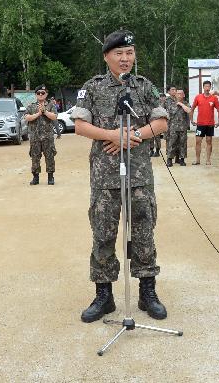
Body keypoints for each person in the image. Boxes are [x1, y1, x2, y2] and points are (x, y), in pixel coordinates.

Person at [71, 30, 169, 323]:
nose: (125, 59)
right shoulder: (92, 87)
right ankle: (104, 295)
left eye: (130, 53)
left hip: (138, 173)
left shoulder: (143, 86)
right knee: (103, 233)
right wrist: (112, 135)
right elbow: (79, 125)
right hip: (104, 174)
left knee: (143, 230)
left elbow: (161, 121)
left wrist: (133, 135)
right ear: (107, 57)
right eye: (119, 54)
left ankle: (147, 291)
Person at [24, 84, 58, 185]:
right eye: (38, 93)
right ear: (36, 94)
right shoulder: (31, 106)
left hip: (48, 136)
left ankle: (50, 177)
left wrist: (45, 111)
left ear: (46, 94)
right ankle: (35, 177)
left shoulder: (51, 105)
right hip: (35, 137)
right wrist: (38, 114)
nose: (40, 94)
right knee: (35, 156)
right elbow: (27, 117)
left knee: (50, 156)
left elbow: (54, 117)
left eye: (42, 93)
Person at [190, 80, 219, 165]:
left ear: (210, 87)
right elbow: (192, 109)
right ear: (203, 87)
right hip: (200, 124)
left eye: (208, 86)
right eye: (206, 86)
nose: (207, 88)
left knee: (209, 141)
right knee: (198, 141)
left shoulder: (214, 98)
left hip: (210, 124)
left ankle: (208, 160)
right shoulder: (198, 97)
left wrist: (218, 121)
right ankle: (197, 160)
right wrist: (191, 120)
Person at [165, 88, 191, 166]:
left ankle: (181, 159)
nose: (179, 95)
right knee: (172, 143)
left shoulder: (186, 103)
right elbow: (170, 112)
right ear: (175, 95)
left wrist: (181, 104)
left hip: (183, 127)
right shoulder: (171, 104)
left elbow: (189, 111)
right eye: (178, 94)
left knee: (182, 144)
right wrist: (177, 104)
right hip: (173, 127)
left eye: (181, 94)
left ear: (184, 95)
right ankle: (169, 159)